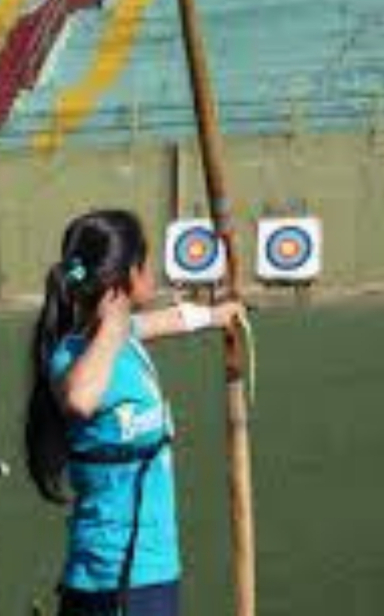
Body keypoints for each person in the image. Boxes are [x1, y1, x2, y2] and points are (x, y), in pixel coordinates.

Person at [24, 209, 244, 616]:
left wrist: (218, 316)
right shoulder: (73, 357)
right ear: (123, 278)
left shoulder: (122, 337)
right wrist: (112, 322)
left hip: (149, 568)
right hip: (117, 576)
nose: (152, 273)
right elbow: (80, 399)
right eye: (144, 264)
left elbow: (171, 319)